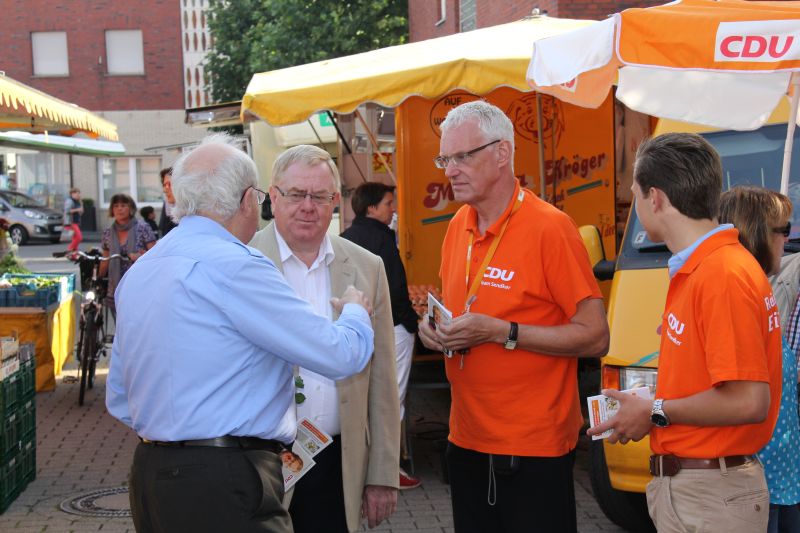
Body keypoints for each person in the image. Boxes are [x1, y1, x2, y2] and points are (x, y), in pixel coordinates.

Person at [106, 133, 377, 533]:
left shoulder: (143, 270)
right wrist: (355, 310)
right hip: (226, 476)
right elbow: (341, 356)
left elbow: (120, 396)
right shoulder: (238, 266)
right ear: (249, 199)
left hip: (152, 474)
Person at [417, 100, 609, 533]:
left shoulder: (550, 228)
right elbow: (459, 305)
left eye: (462, 157)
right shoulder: (457, 227)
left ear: (502, 153)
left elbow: (596, 336)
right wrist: (433, 330)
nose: (449, 171)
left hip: (532, 448)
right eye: (444, 159)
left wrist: (504, 332)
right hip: (464, 440)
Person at [587, 134, 782, 532]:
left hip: (711, 494)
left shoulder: (721, 274)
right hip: (702, 490)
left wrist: (655, 411)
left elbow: (748, 401)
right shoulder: (707, 268)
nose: (637, 206)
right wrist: (648, 406)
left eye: (636, 195)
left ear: (655, 199)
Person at [249, 144, 400, 533]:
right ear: (274, 197)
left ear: (336, 201)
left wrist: (382, 472)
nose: (308, 206)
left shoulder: (367, 267)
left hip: (337, 460)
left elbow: (383, 379)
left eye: (319, 196)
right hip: (257, 463)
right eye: (296, 194)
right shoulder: (243, 261)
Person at [719, 186, 800, 533]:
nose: (789, 238)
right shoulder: (734, 294)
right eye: (783, 229)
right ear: (756, 233)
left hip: (781, 476)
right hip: (755, 482)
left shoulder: (761, 291)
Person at [341, 181, 421, 490]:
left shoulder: (345, 238)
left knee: (363, 397)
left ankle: (362, 464)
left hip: (358, 326)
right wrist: (411, 323)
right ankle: (388, 468)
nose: (394, 208)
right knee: (391, 397)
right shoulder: (383, 241)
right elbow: (396, 289)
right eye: (389, 203)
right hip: (390, 330)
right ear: (372, 208)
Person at [98, 193, 156, 316]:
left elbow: (156, 254)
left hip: (138, 284)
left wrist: (140, 257)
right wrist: (98, 277)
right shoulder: (108, 233)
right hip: (115, 286)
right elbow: (105, 258)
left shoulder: (142, 227)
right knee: (119, 325)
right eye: (116, 206)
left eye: (123, 205)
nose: (119, 209)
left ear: (131, 209)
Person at [158, 167, 178, 236]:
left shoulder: (197, 209)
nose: (165, 190)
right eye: (164, 185)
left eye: (169, 184)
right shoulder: (167, 205)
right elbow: (164, 230)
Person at [63, 187, 83, 251]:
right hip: (71, 222)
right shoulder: (69, 201)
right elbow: (67, 211)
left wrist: (80, 210)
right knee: (79, 237)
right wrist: (78, 209)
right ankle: (69, 250)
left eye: (79, 194)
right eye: (77, 194)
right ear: (72, 194)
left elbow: (80, 212)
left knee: (75, 238)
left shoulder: (77, 201)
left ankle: (74, 254)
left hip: (76, 222)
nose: (78, 195)